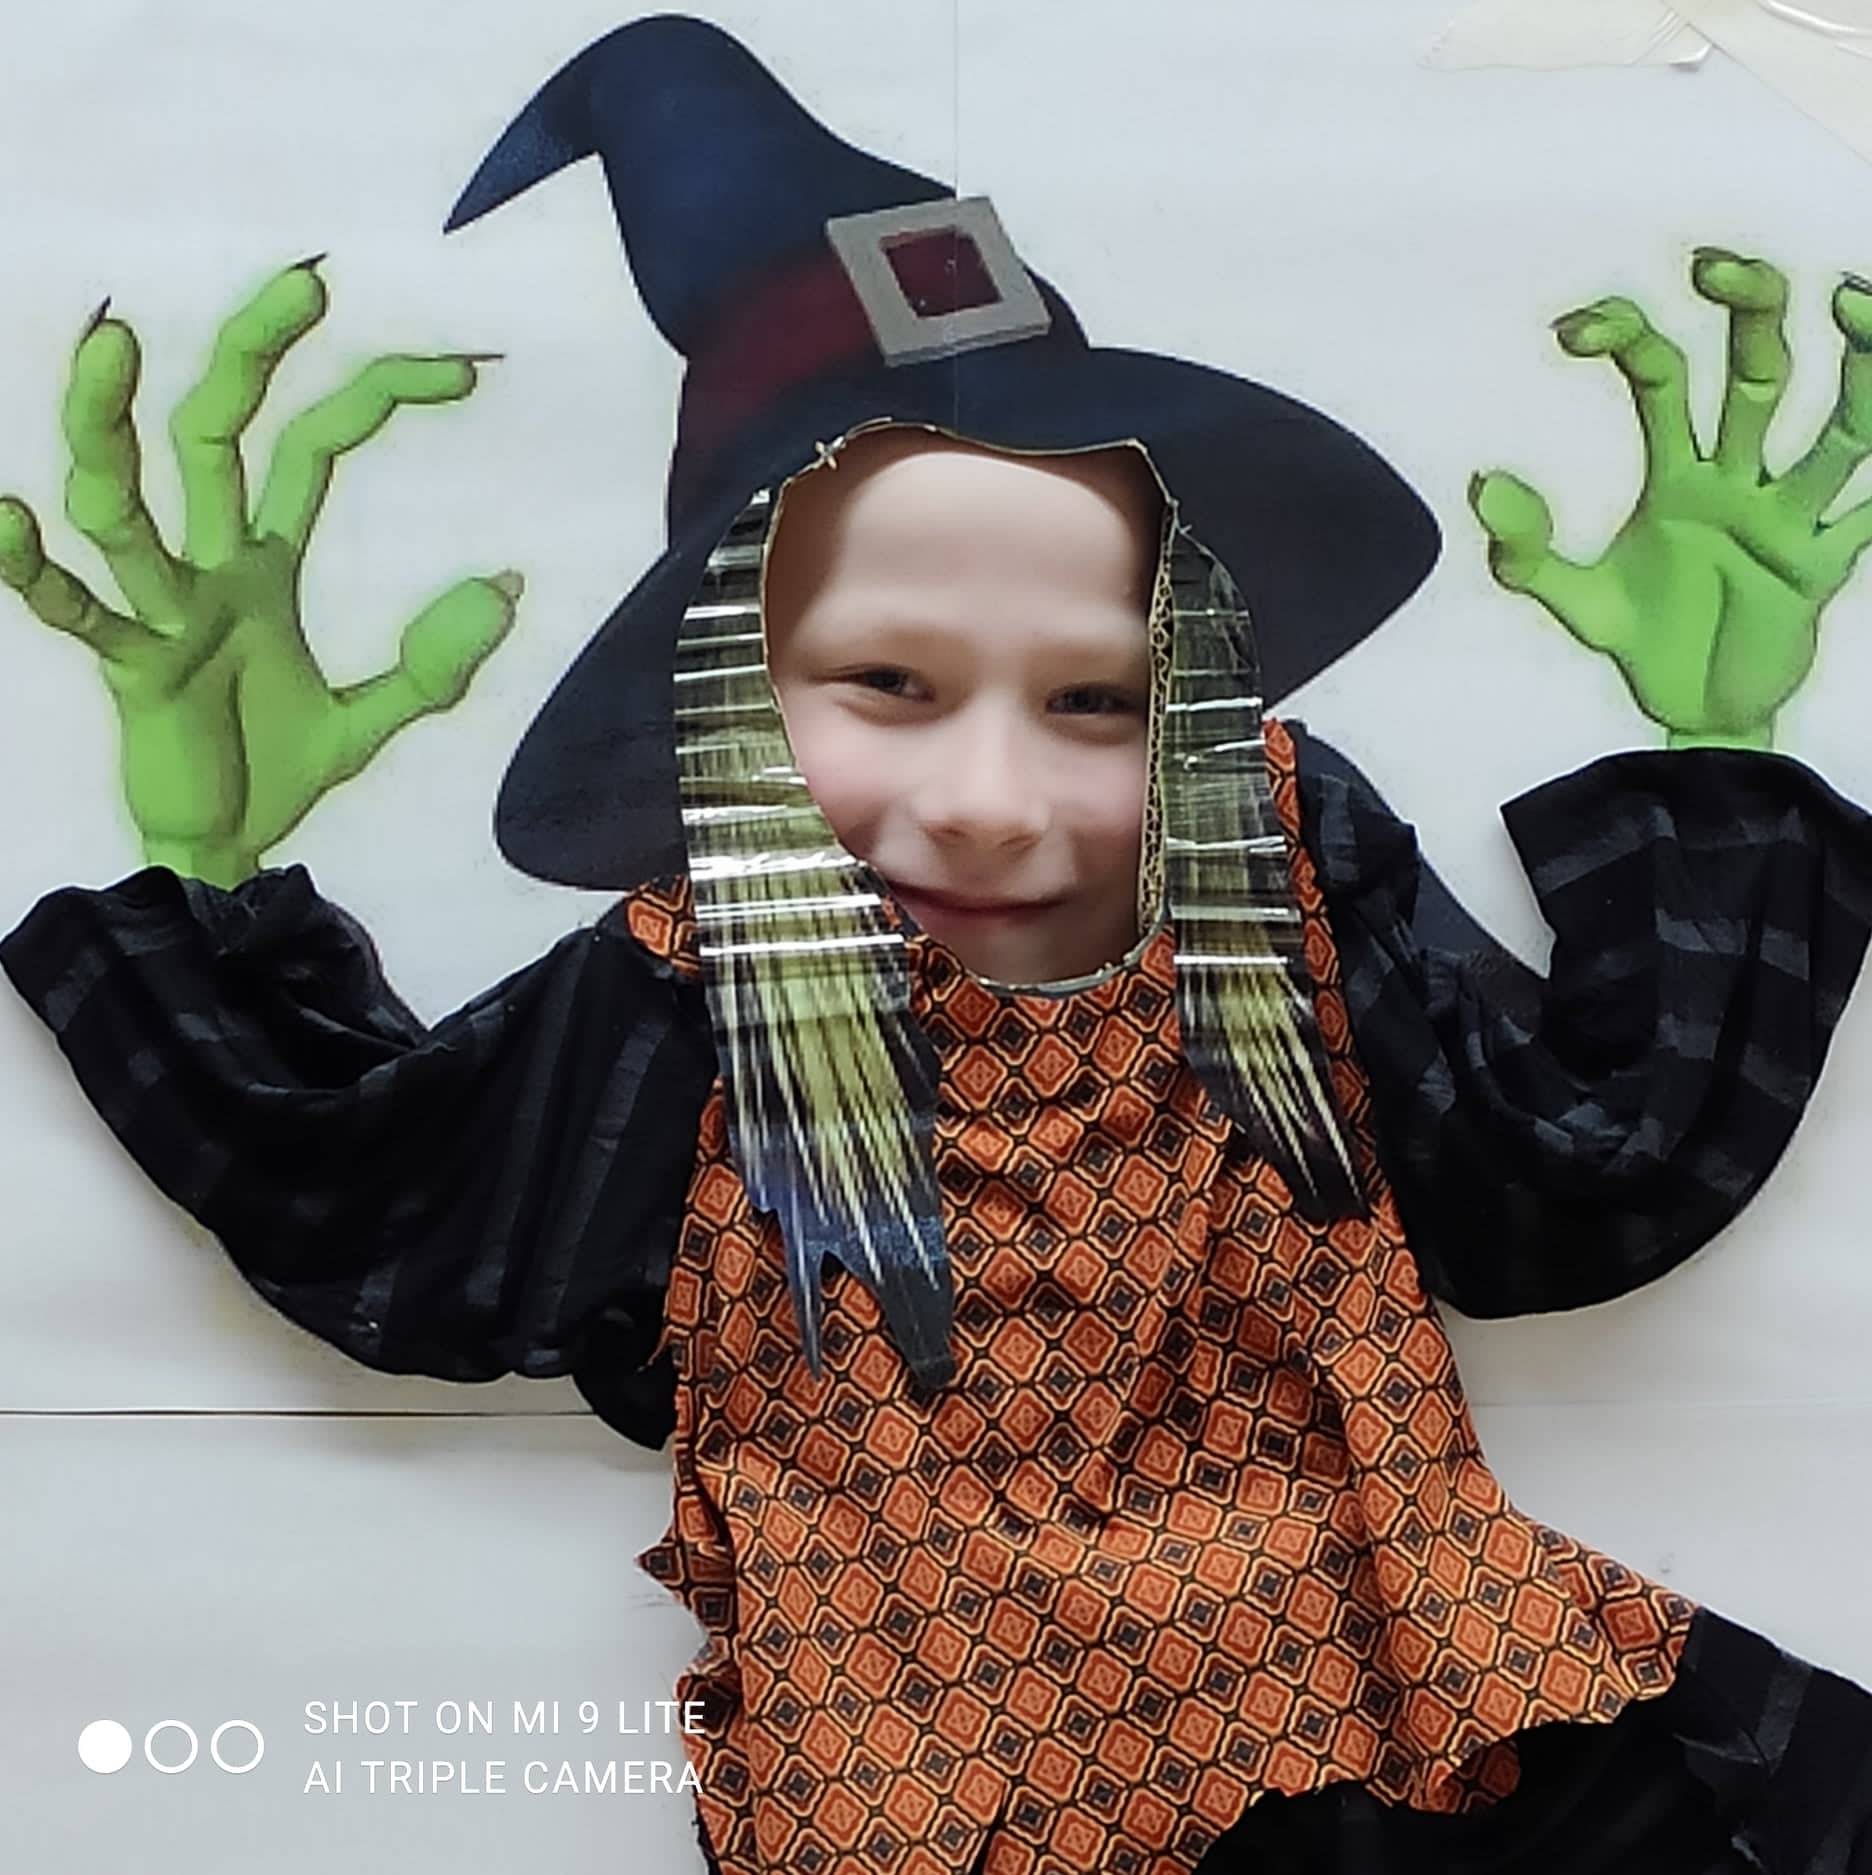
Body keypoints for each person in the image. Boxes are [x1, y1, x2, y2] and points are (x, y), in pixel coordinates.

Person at [8, 15, 1872, 1872]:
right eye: (889, 684)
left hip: (1427, 1734)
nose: (988, 800)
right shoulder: (700, 985)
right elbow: (391, 1212)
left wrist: (1720, 750)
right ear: (738, 698)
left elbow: (1556, 1186)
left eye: (1094, 697)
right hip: (931, 1810)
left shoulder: (1271, 864)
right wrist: (203, 866)